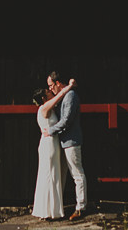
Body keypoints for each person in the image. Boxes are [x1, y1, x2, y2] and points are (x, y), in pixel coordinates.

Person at [41, 70, 88, 220]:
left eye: (51, 85)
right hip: (63, 142)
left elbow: (67, 120)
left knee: (77, 174)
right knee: (63, 175)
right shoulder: (64, 96)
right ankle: (57, 207)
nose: (49, 89)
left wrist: (50, 131)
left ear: (58, 83)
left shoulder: (71, 96)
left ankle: (81, 207)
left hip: (71, 142)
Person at [32, 77, 74, 219]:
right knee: (50, 175)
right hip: (49, 144)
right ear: (44, 98)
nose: (50, 91)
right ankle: (49, 211)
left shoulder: (45, 108)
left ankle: (48, 209)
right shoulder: (45, 108)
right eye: (47, 91)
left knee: (50, 175)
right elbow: (60, 95)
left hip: (50, 143)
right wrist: (70, 86)